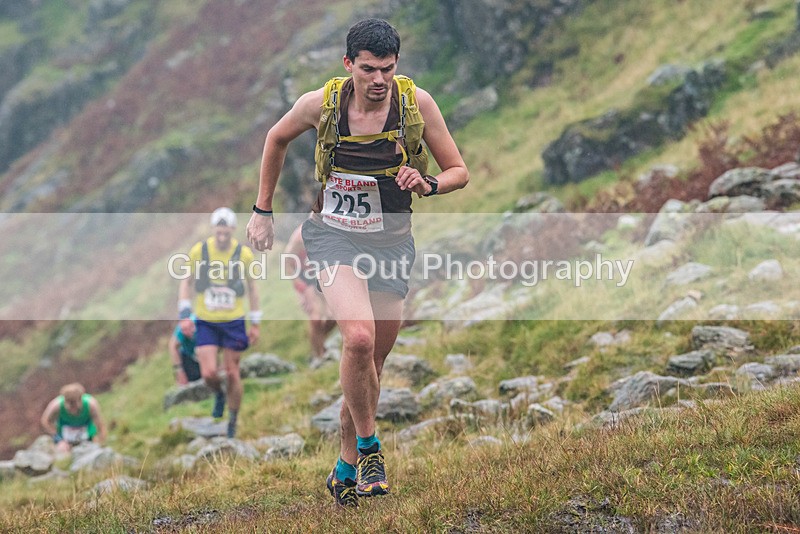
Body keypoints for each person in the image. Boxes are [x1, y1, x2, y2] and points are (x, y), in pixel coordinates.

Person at [246, 19, 468, 506]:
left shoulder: (416, 104)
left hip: (391, 243)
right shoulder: (321, 105)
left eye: (387, 69)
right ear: (348, 64)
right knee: (359, 339)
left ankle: (346, 465)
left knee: (372, 365)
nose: (379, 80)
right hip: (333, 237)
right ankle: (370, 449)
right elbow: (275, 138)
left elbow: (459, 171)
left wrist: (428, 183)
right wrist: (262, 210)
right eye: (368, 69)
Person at [178, 207, 262, 438]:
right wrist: (184, 314)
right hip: (206, 320)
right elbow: (186, 281)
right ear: (213, 229)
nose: (222, 235)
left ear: (232, 229)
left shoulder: (243, 254)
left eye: (226, 231)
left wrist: (255, 322)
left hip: (234, 321)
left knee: (233, 373)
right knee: (208, 373)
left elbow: (253, 288)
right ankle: (218, 393)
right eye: (219, 230)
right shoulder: (200, 251)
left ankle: (232, 421)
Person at [284, 223, 337, 366]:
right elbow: (287, 261)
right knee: (316, 318)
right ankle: (318, 356)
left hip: (322, 275)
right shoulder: (299, 237)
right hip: (305, 277)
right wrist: (298, 284)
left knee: (333, 317)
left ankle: (320, 343)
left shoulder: (331, 231)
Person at [40, 383, 107, 454]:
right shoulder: (56, 406)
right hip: (64, 437)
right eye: (69, 404)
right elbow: (46, 421)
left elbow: (100, 425)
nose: (72, 409)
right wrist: (58, 438)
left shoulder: (91, 405)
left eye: (74, 405)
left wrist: (100, 440)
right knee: (62, 450)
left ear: (80, 399)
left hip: (87, 435)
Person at [168, 314, 202, 385]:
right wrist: (179, 370)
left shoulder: (200, 323)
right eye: (184, 330)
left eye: (189, 329)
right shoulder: (180, 332)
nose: (187, 332)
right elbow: (172, 346)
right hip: (188, 355)